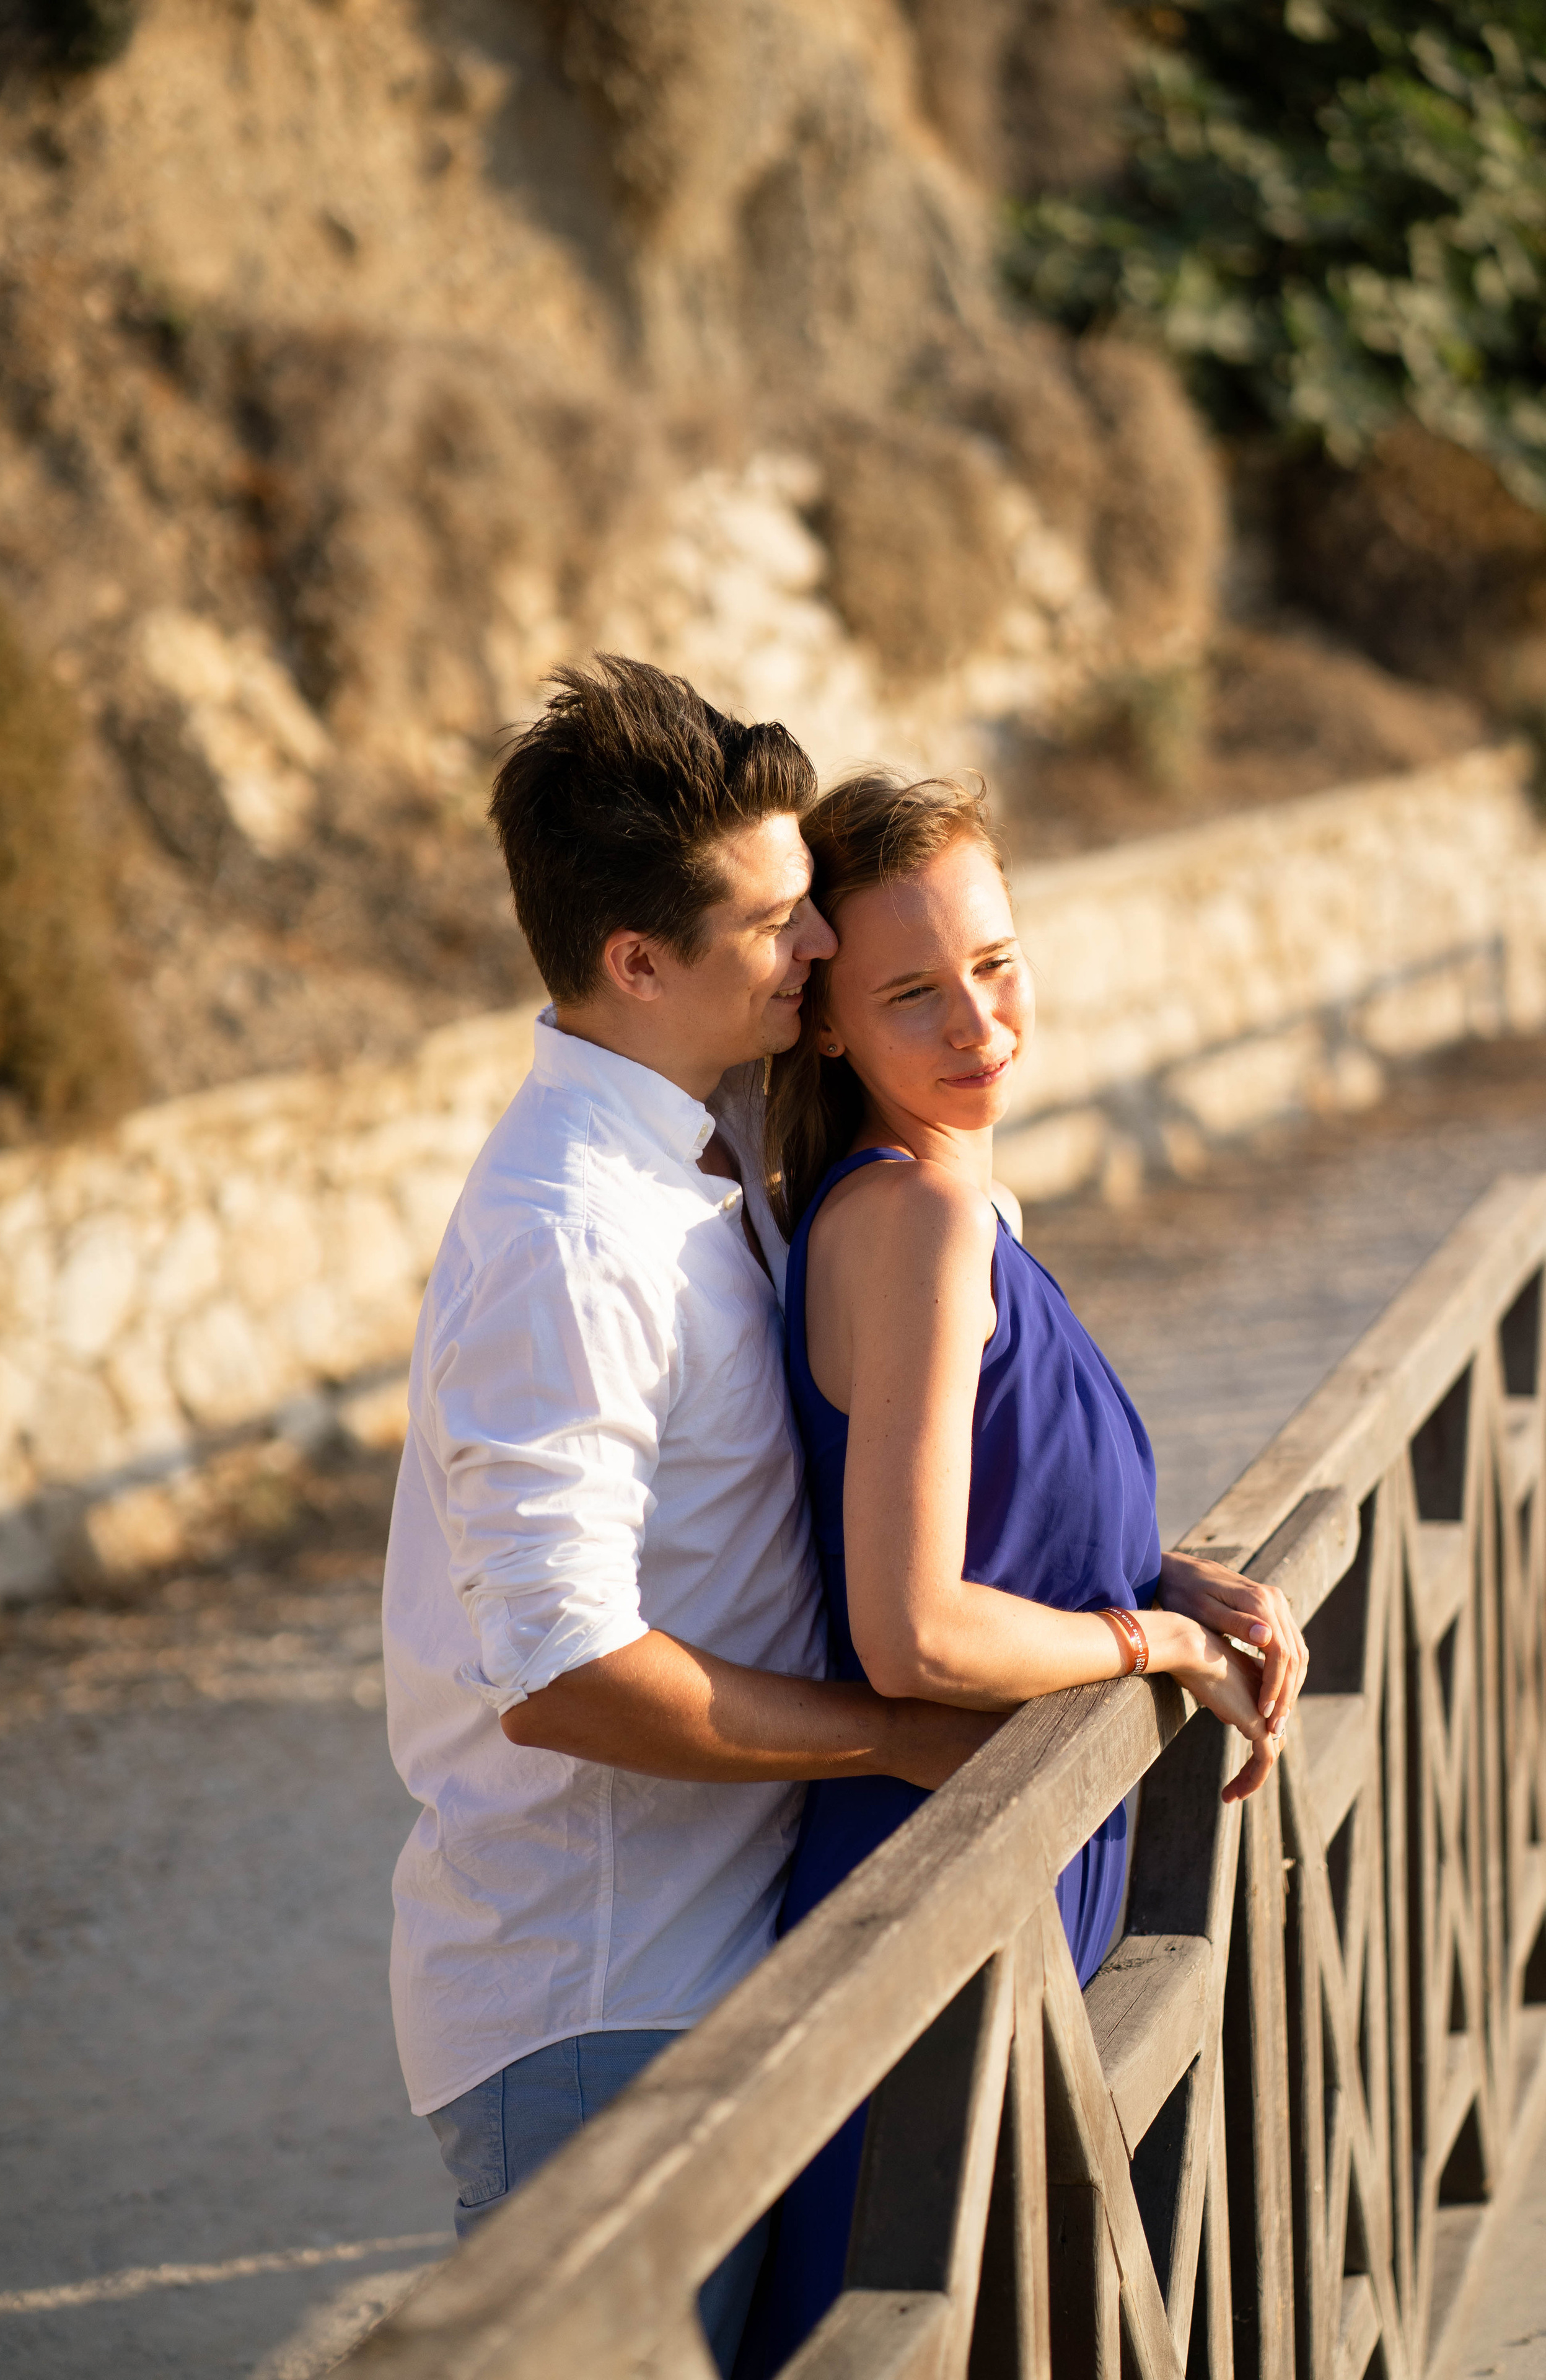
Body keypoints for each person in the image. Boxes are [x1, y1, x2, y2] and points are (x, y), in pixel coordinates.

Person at [380, 664, 1002, 2376]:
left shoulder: (711, 1138)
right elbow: (565, 1671)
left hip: (725, 1956)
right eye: (778, 919)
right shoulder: (566, 1236)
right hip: (595, 2008)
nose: (817, 951)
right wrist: (892, 1737)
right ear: (635, 962)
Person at [748, 772, 1308, 2364]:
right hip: (928, 1893)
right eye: (910, 992)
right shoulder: (912, 1225)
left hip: (997, 1865)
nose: (975, 1020)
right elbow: (912, 1627)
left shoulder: (960, 1204)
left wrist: (1167, 1570)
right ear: (831, 1026)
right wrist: (1152, 1644)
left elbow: (1006, 1515)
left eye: (993, 963)